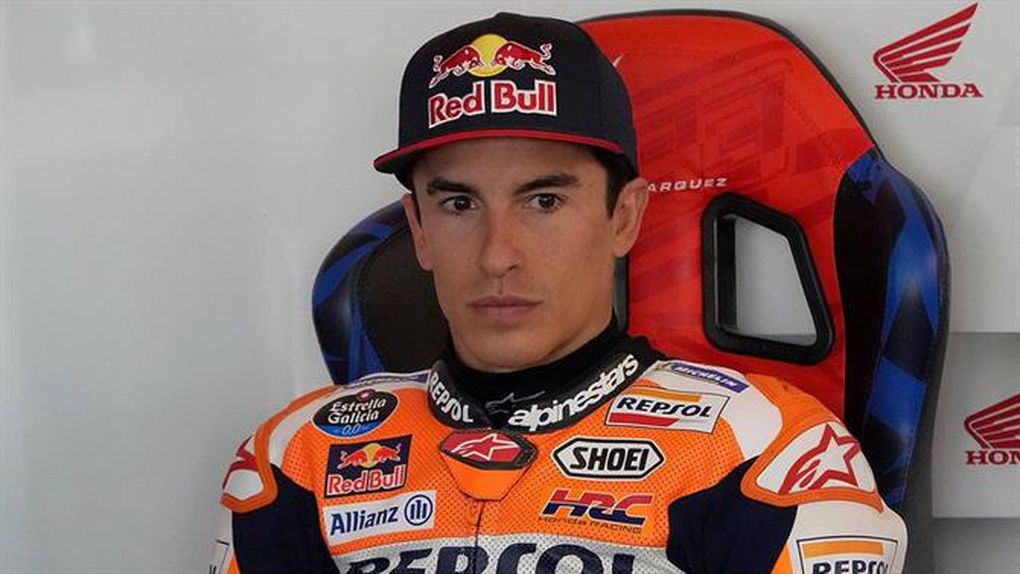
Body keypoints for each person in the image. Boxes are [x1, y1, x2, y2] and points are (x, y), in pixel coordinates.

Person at [211, 12, 907, 574]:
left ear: (624, 217)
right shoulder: (298, 459)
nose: (498, 255)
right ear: (417, 229)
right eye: (458, 204)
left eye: (543, 200)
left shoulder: (764, 453)